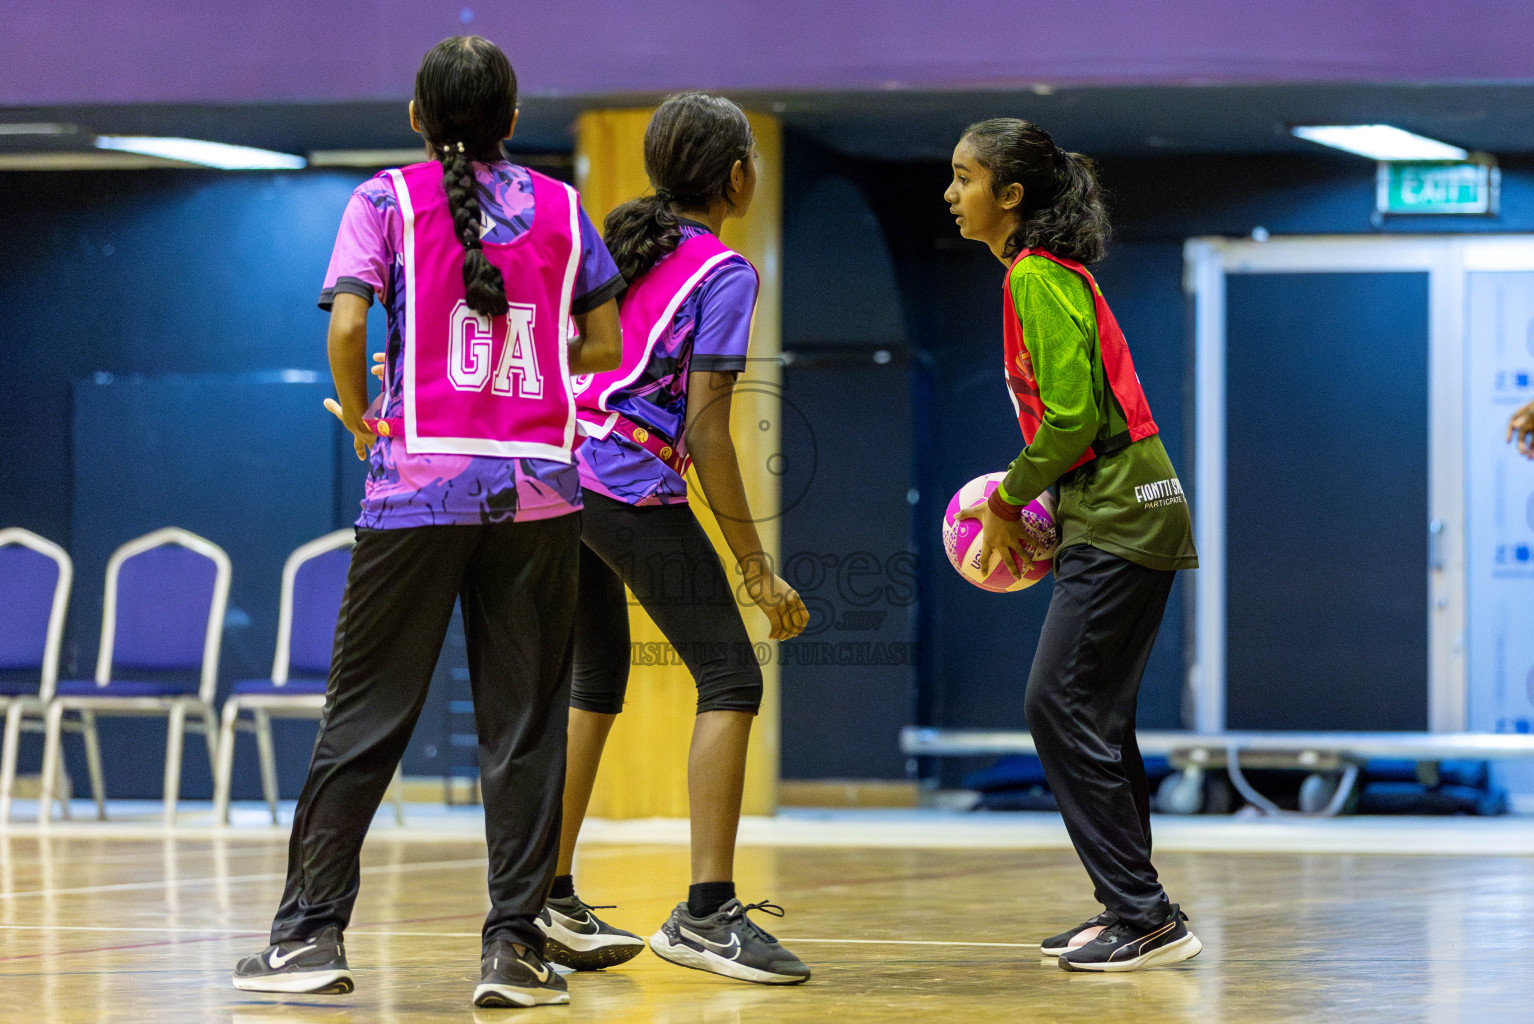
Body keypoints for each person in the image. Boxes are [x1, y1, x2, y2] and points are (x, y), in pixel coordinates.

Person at [231, 36, 623, 1010]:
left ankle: (310, 938)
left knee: (363, 718)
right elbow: (606, 341)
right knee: (525, 726)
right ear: (512, 117)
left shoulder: (384, 201)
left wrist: (368, 420)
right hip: (537, 490)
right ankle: (513, 950)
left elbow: (350, 325)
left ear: (417, 116)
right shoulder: (567, 209)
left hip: (416, 490)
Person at [538, 91, 811, 985]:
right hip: (622, 480)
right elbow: (705, 431)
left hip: (556, 474)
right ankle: (707, 914)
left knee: (594, 679)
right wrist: (756, 569)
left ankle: (544, 889)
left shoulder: (615, 249)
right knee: (730, 677)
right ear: (736, 176)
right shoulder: (725, 271)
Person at [947, 118, 1202, 972]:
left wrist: (1008, 502)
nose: (951, 195)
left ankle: (1146, 914)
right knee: (1095, 715)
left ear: (1010, 196)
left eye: (965, 179)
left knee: (1056, 705)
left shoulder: (1034, 276)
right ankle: (1127, 905)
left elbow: (1073, 421)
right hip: (1132, 505)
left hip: (1123, 510)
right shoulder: (1047, 276)